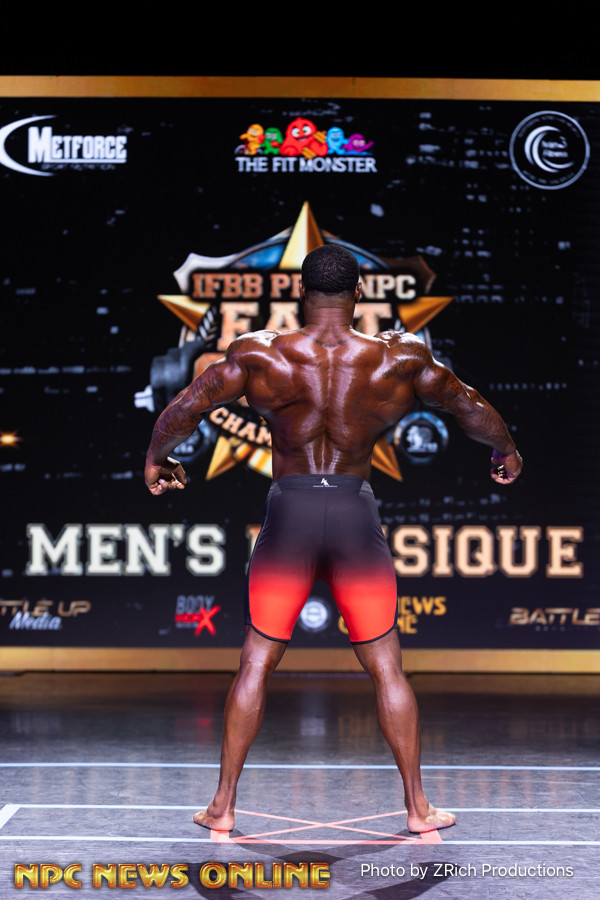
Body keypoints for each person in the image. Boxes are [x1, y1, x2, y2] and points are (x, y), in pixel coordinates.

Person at [144, 244, 523, 835]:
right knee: (387, 668)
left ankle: (222, 806)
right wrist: (507, 450)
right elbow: (466, 404)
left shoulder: (260, 353)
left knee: (256, 662)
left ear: (301, 291)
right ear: (359, 293)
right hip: (352, 513)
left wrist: (156, 457)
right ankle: (418, 809)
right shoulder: (397, 358)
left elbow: (189, 403)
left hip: (290, 513)